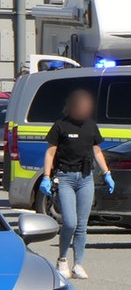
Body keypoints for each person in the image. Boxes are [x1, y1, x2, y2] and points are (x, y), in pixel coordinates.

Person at [40, 89, 115, 279]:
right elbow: (50, 153)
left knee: (82, 224)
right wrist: (46, 177)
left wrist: (107, 173)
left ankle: (78, 264)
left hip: (85, 178)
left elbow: (97, 151)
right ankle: (62, 259)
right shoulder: (60, 126)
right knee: (70, 223)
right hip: (65, 177)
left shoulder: (91, 126)